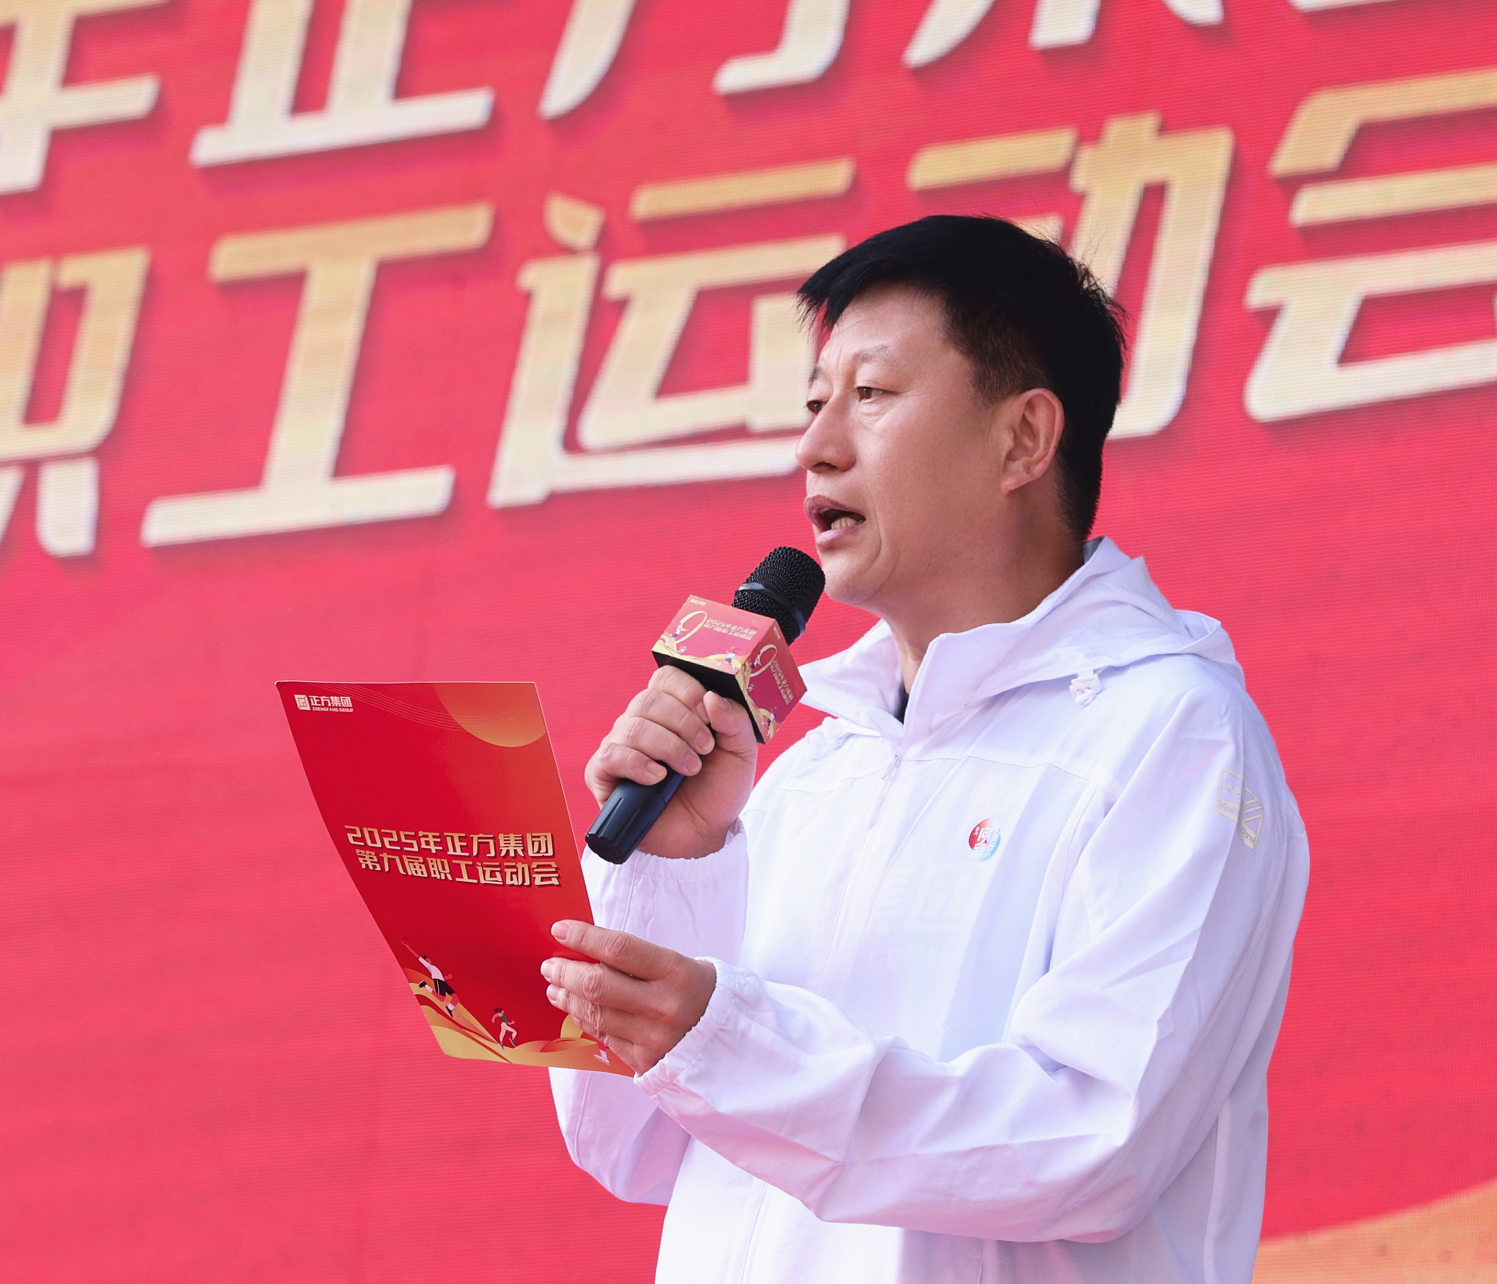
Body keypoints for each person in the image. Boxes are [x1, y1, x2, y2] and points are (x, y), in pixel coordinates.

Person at [541, 216, 1310, 1284]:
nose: (815, 448)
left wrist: (727, 1038)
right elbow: (628, 1145)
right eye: (813, 403)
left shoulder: (1169, 734)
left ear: (1023, 439)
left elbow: (1093, 1139)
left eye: (870, 394)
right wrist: (677, 866)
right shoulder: (814, 769)